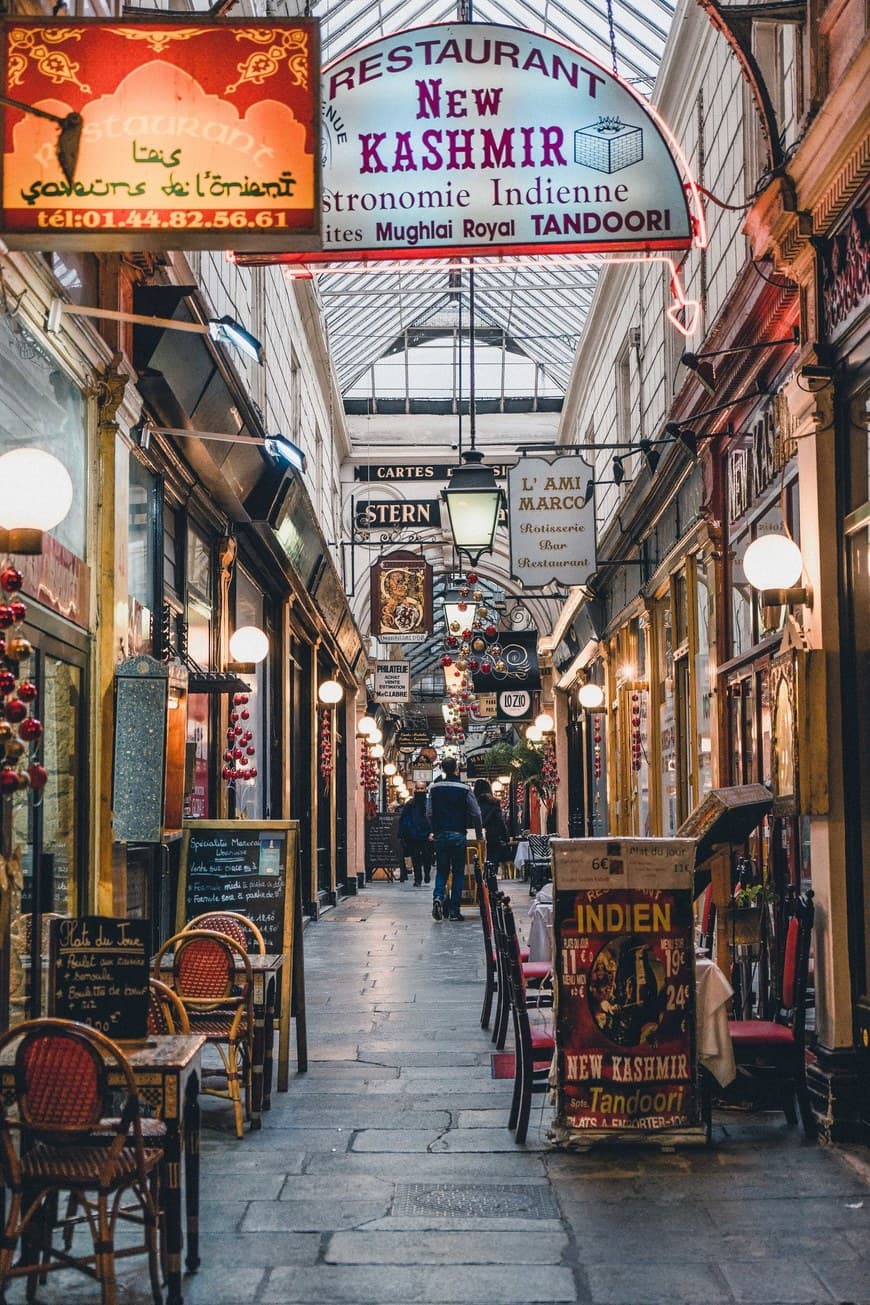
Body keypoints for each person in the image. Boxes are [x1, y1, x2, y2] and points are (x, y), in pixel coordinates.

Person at [426, 756, 482, 922]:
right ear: (456, 769)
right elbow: (476, 813)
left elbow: (428, 813)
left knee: (442, 870)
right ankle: (454, 911)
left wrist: (433, 829)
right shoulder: (465, 788)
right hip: (458, 834)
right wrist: (478, 834)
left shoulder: (434, 788)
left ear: (442, 769)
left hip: (441, 834)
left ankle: (438, 897)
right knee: (458, 872)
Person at [398, 783, 432, 886]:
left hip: (427, 835)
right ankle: (418, 879)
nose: (420, 790)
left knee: (427, 857)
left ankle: (427, 873)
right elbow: (404, 819)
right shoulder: (410, 804)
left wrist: (432, 831)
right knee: (415, 858)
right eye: (418, 788)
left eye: (422, 788)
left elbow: (433, 817)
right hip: (414, 836)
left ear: (425, 789)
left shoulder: (429, 803)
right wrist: (407, 833)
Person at [473, 778, 510, 873]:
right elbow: (500, 821)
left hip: (476, 836)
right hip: (493, 837)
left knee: (477, 862)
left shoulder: (472, 803)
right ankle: (491, 884)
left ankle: (479, 883)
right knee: (492, 864)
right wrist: (505, 837)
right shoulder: (494, 803)